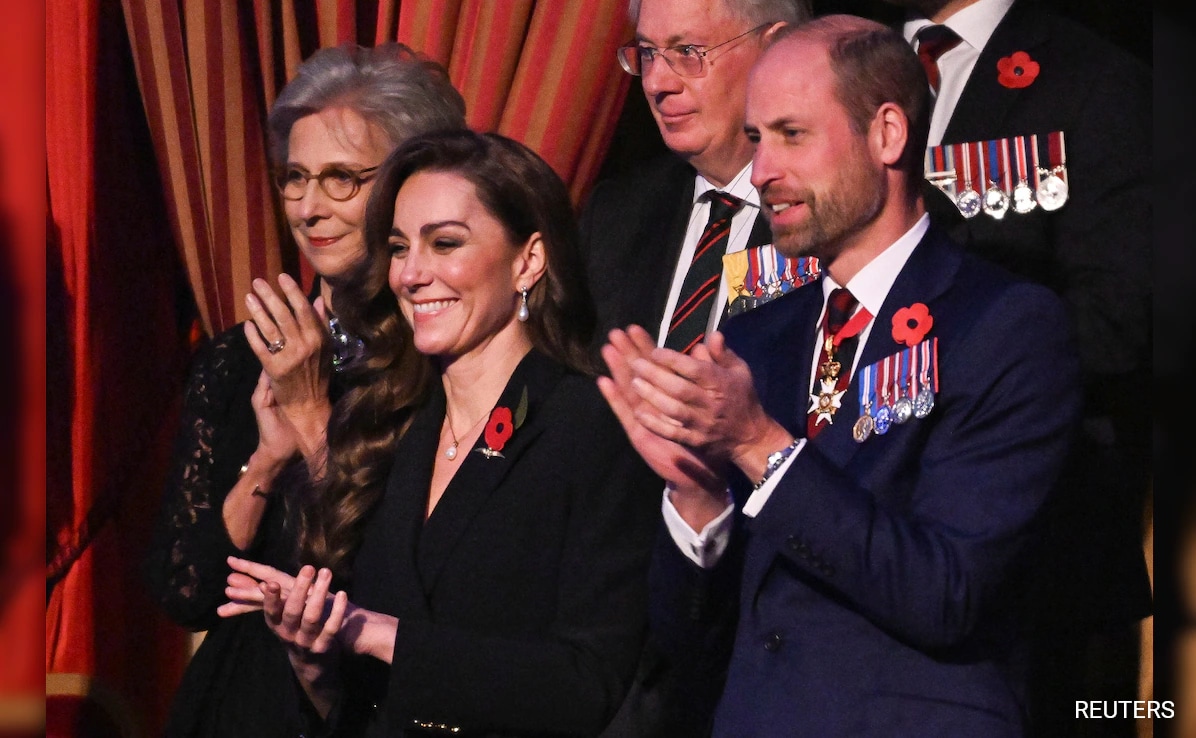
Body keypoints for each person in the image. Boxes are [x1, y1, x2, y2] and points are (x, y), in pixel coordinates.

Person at [599, 15, 1081, 736]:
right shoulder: (756, 339)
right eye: (757, 140)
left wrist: (760, 445)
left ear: (887, 134)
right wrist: (696, 500)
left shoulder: (1004, 326)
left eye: (792, 135)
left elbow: (947, 593)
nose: (762, 172)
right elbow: (691, 640)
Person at [218, 130, 662, 737]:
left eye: (445, 243)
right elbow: (351, 707)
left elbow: (591, 684)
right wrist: (313, 655)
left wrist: (378, 634)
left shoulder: (589, 424)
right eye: (399, 248)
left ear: (528, 260)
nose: (412, 274)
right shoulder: (386, 425)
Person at [142, 43, 466, 738]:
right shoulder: (239, 358)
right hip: (234, 708)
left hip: (364, 712)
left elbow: (404, 590)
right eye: (295, 177)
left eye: (343, 179)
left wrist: (314, 415)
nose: (310, 207)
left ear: (413, 183)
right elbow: (185, 592)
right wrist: (264, 462)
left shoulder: (447, 362)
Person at [886, 1, 1153, 733]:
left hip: (1024, 547)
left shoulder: (1092, 80)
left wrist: (928, 379)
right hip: (857, 532)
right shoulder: (850, 61)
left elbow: (1122, 319)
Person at [580, 0, 812, 356]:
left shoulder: (840, 214)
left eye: (688, 51)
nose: (657, 83)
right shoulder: (616, 214)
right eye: (646, 53)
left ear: (775, 50)